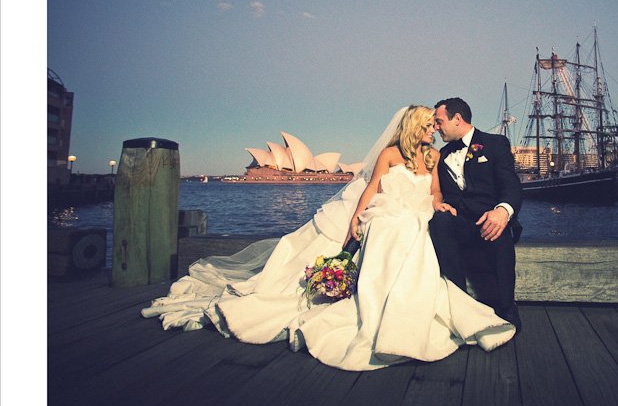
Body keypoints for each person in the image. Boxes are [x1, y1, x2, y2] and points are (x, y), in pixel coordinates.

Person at [142, 105, 516, 371]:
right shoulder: (392, 154)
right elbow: (370, 191)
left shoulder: (437, 156)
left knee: (419, 231)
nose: (434, 127)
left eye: (437, 122)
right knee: (392, 231)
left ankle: (427, 310)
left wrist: (440, 203)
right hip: (392, 213)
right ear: (415, 126)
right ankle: (383, 313)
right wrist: (355, 221)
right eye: (429, 123)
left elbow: (436, 191)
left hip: (426, 213)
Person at [430, 97, 523, 331]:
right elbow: (436, 191)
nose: (436, 127)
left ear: (457, 119)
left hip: (490, 220)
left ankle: (506, 308)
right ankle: (458, 304)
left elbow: (511, 185)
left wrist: (503, 211)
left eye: (439, 122)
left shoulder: (495, 143)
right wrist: (439, 204)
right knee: (439, 221)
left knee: (498, 230)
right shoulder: (442, 155)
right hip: (459, 223)